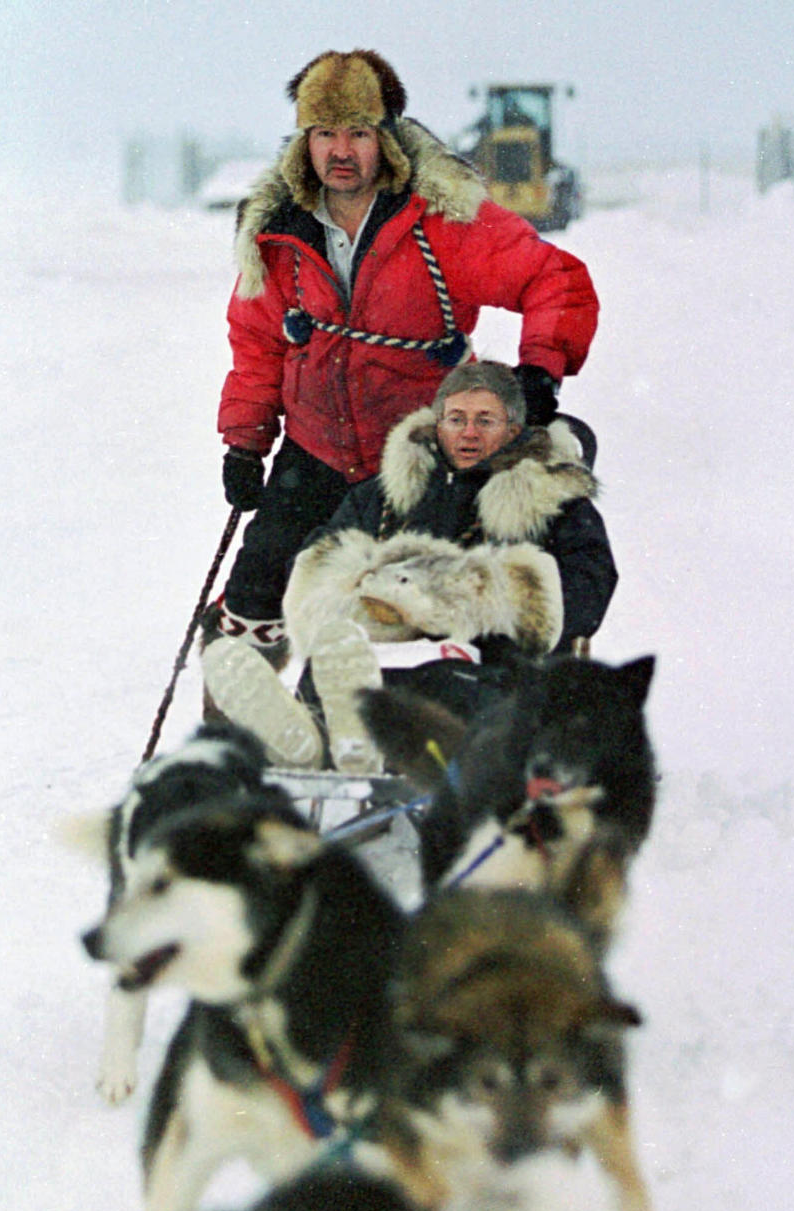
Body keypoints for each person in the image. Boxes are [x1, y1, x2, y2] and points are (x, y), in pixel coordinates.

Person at [205, 48, 600, 669]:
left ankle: (434, 717)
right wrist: (245, 439)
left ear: (384, 139)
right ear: (304, 142)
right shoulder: (280, 235)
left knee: (417, 602)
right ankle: (233, 740)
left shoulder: (445, 224)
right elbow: (257, 342)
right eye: (325, 133)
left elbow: (557, 280)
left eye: (358, 133)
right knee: (254, 600)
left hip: (423, 454)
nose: (341, 151)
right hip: (315, 449)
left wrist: (538, 371)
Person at [202, 360, 617, 774]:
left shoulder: (554, 502)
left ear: (513, 429)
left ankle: (338, 744)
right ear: (438, 424)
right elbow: (320, 558)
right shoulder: (384, 494)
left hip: (488, 666)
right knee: (339, 663)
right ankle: (317, 740)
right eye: (456, 419)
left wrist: (472, 601)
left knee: (445, 687)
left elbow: (589, 586)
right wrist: (372, 601)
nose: (468, 432)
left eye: (484, 420)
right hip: (379, 649)